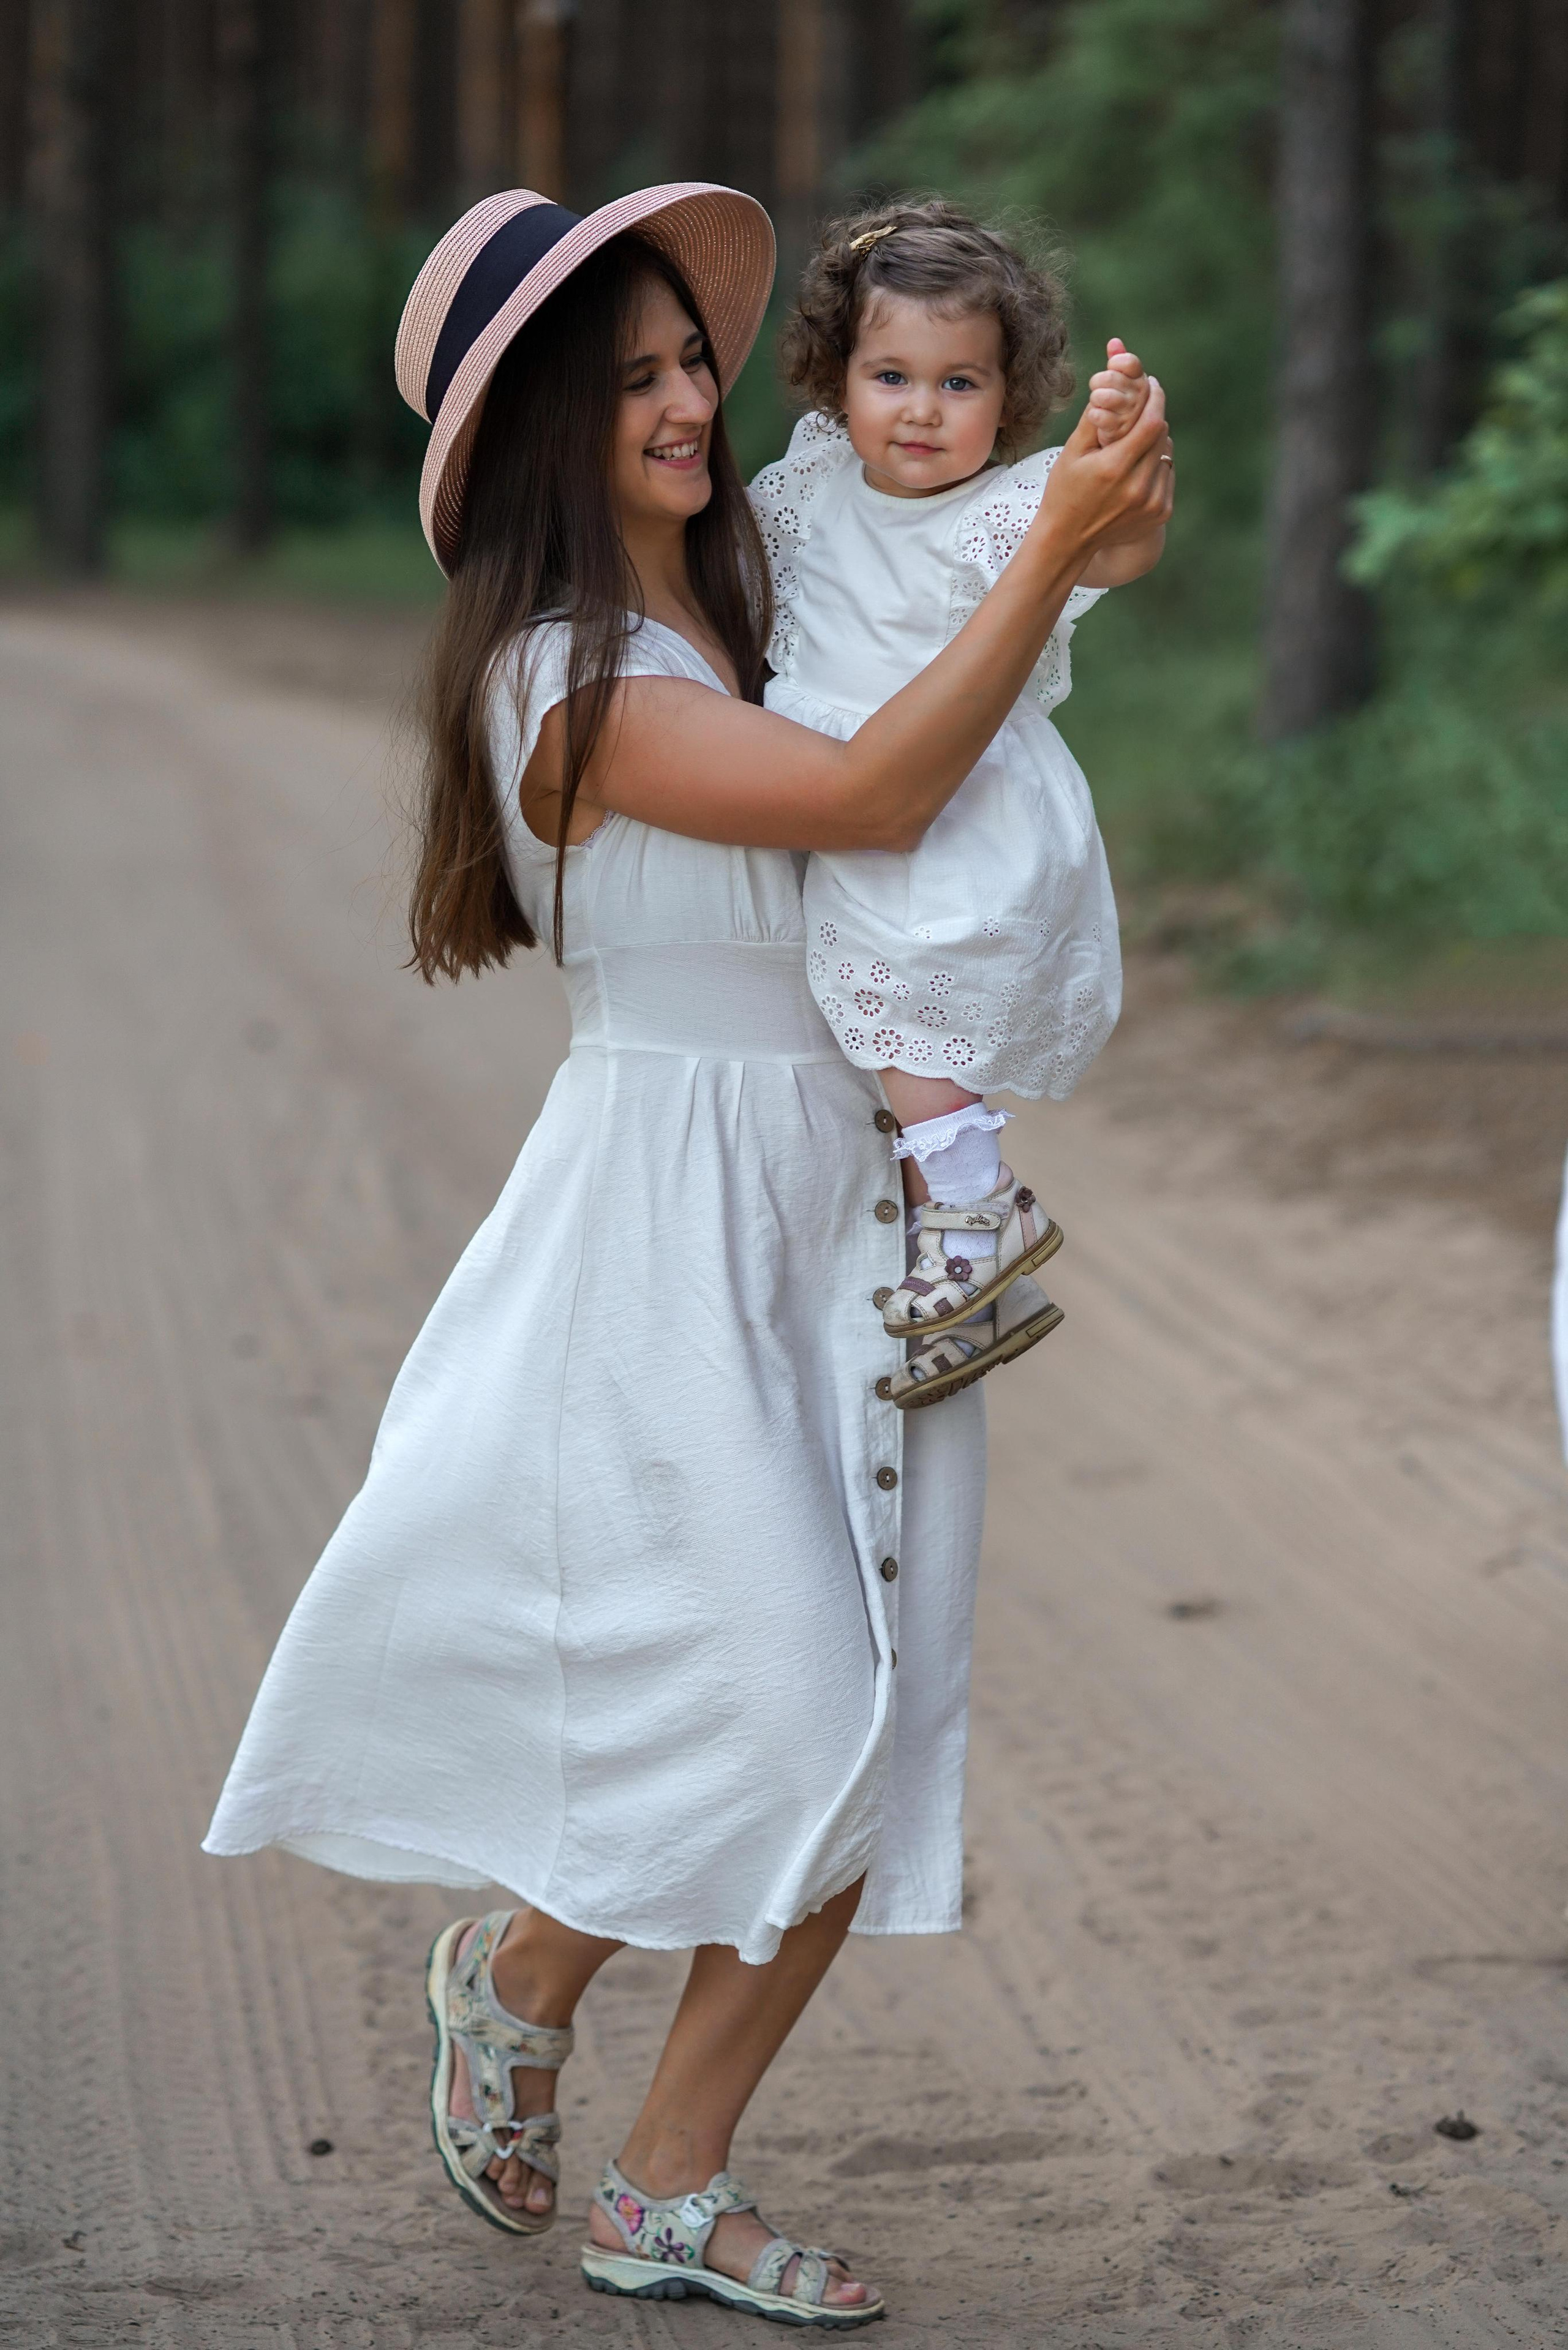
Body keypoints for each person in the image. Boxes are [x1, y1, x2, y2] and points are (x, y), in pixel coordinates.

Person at [203, 181, 1173, 2327]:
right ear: (545, 423)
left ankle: (666, 2174)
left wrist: (1099, 507)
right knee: (788, 1691)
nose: (681, 399)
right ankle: (530, 1954)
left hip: (843, 1203)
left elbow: (987, 636)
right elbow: (873, 799)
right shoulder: (564, 677)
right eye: (631, 375)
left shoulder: (763, 599)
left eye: (683, 363)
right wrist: (1041, 549)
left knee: (869, 1731)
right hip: (667, 1222)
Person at [752, 200, 1167, 1406]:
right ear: (835, 378)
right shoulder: (814, 479)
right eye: (890, 374)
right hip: (856, 787)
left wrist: (1123, 459)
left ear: (1010, 393)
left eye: (958, 381)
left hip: (957, 805)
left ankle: (978, 1204)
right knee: (875, 1019)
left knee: (900, 1015)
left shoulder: (1006, 508)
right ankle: (978, 1272)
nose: (922, 409)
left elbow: (1113, 553)